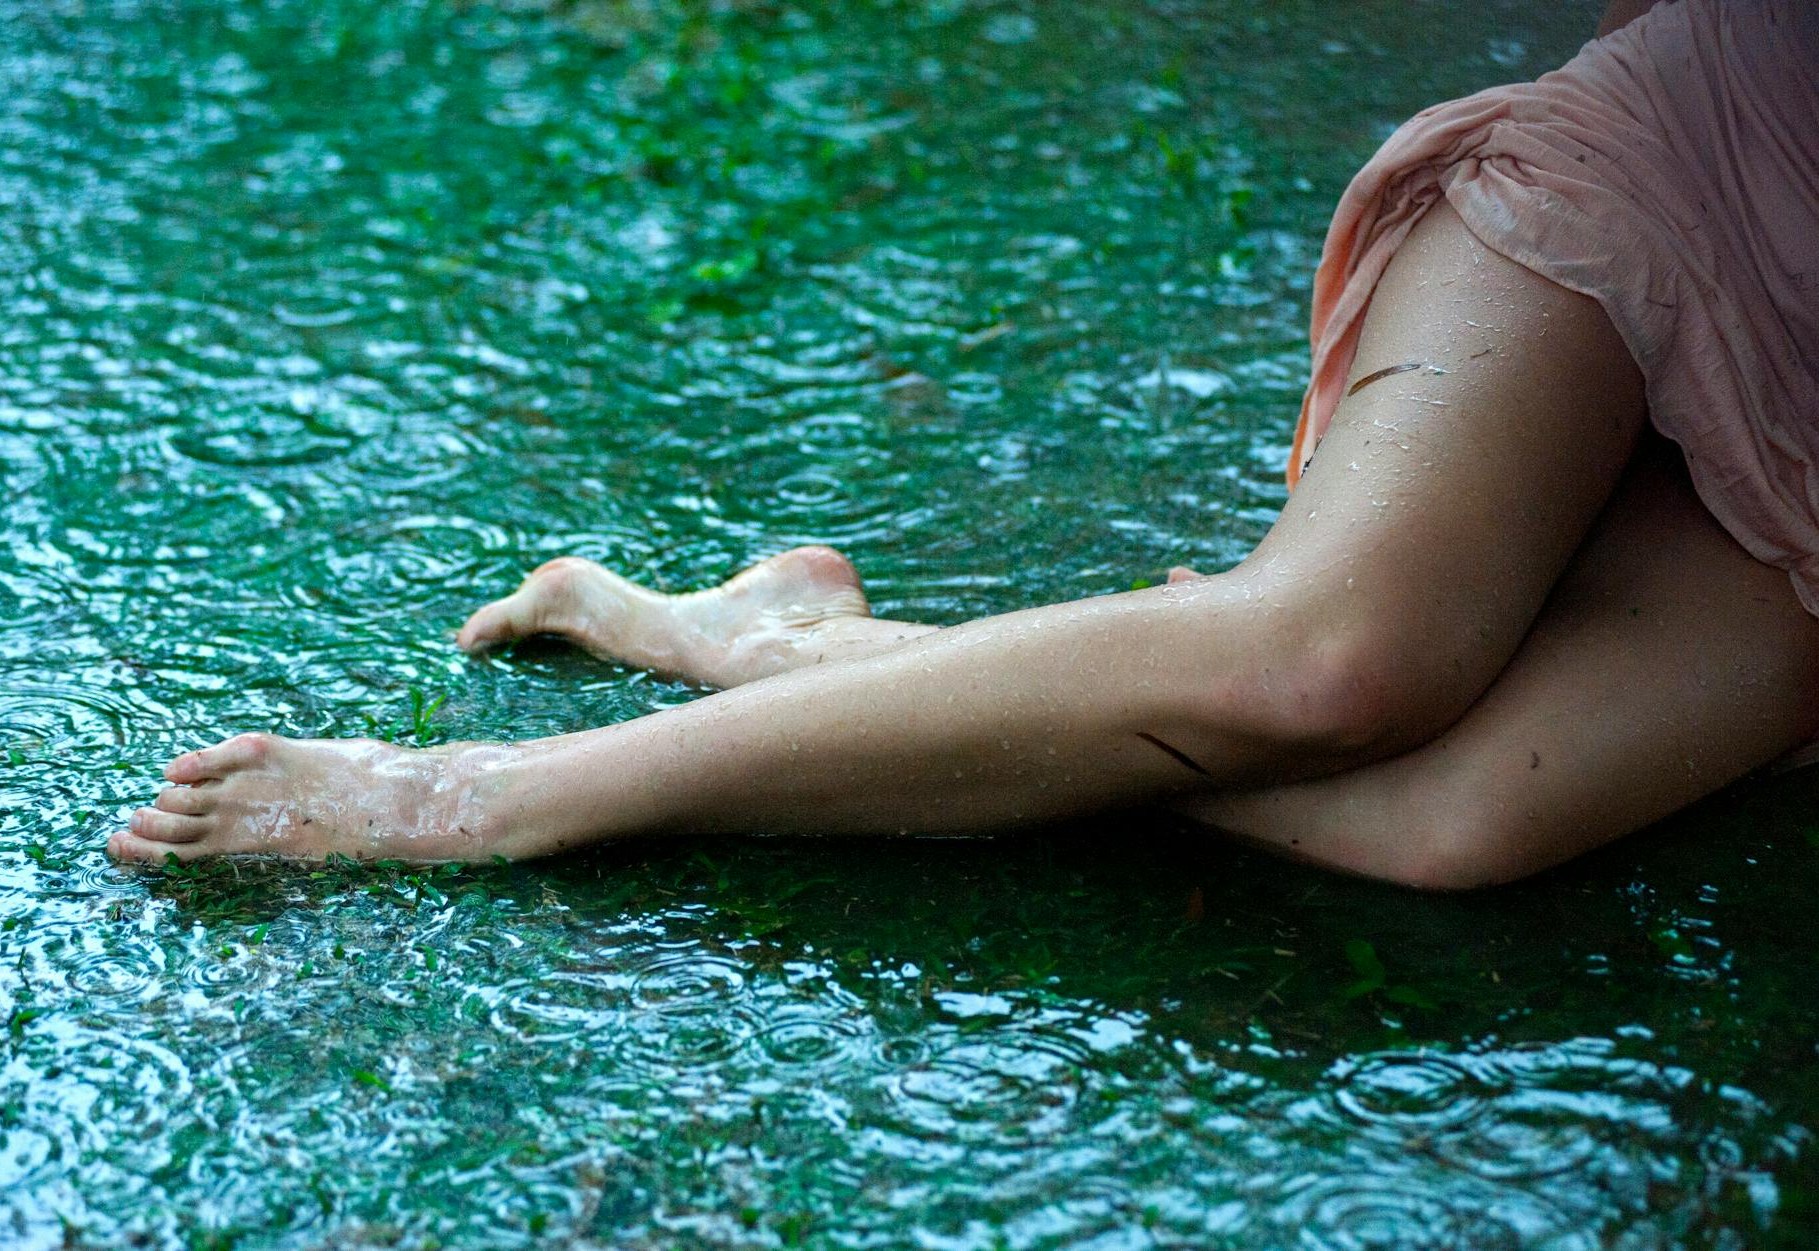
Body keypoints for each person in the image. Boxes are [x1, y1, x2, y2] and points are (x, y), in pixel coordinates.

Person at [109, 0, 1819, 889]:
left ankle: (782, 641)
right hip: (1705, 166)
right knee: (1340, 664)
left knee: (1454, 824)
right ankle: (477, 799)